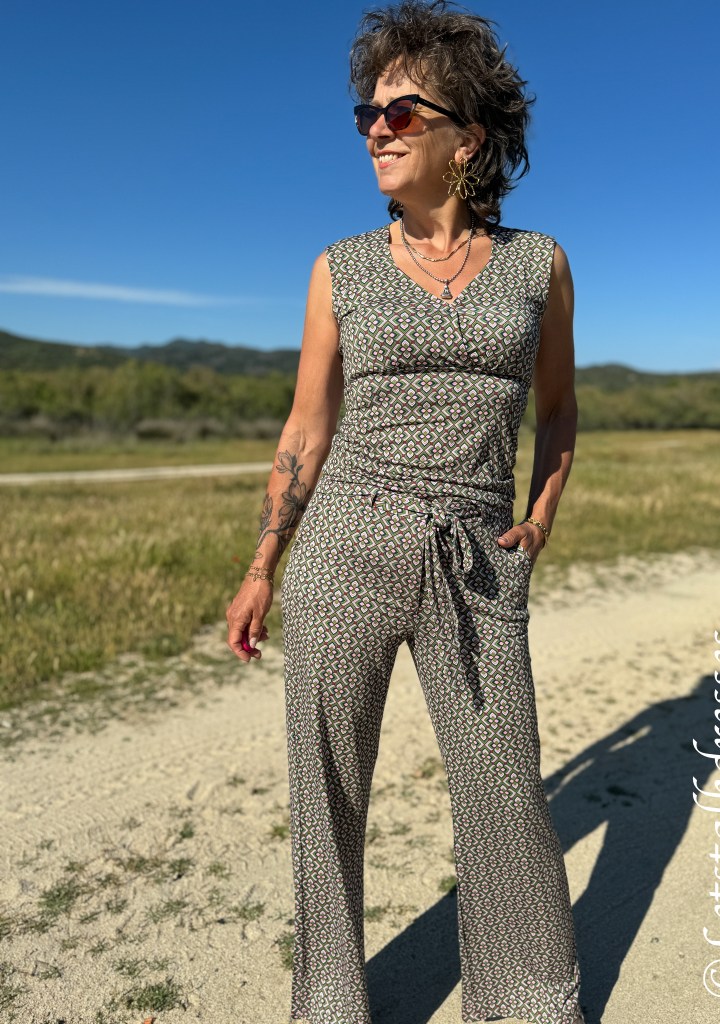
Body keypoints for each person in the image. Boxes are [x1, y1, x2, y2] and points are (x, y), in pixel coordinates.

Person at [226, 1, 584, 1021]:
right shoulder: (337, 268)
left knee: (505, 791)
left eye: (400, 113)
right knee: (327, 791)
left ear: (467, 137)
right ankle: (330, 1003)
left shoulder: (540, 265)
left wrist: (540, 517)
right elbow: (306, 428)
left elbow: (558, 408)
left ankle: (528, 1001)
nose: (375, 131)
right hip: (346, 544)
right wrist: (261, 566)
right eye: (366, 116)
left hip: (476, 554)